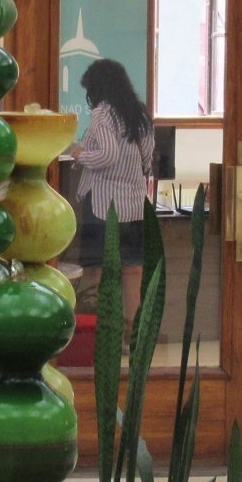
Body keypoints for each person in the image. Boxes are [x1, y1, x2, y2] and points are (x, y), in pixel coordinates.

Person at [72, 58, 153, 322]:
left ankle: (96, 337)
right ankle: (132, 334)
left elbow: (107, 155)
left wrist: (81, 155)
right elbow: (148, 157)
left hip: (103, 204)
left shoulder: (102, 113)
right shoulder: (139, 113)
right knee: (133, 271)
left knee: (95, 271)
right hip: (134, 205)